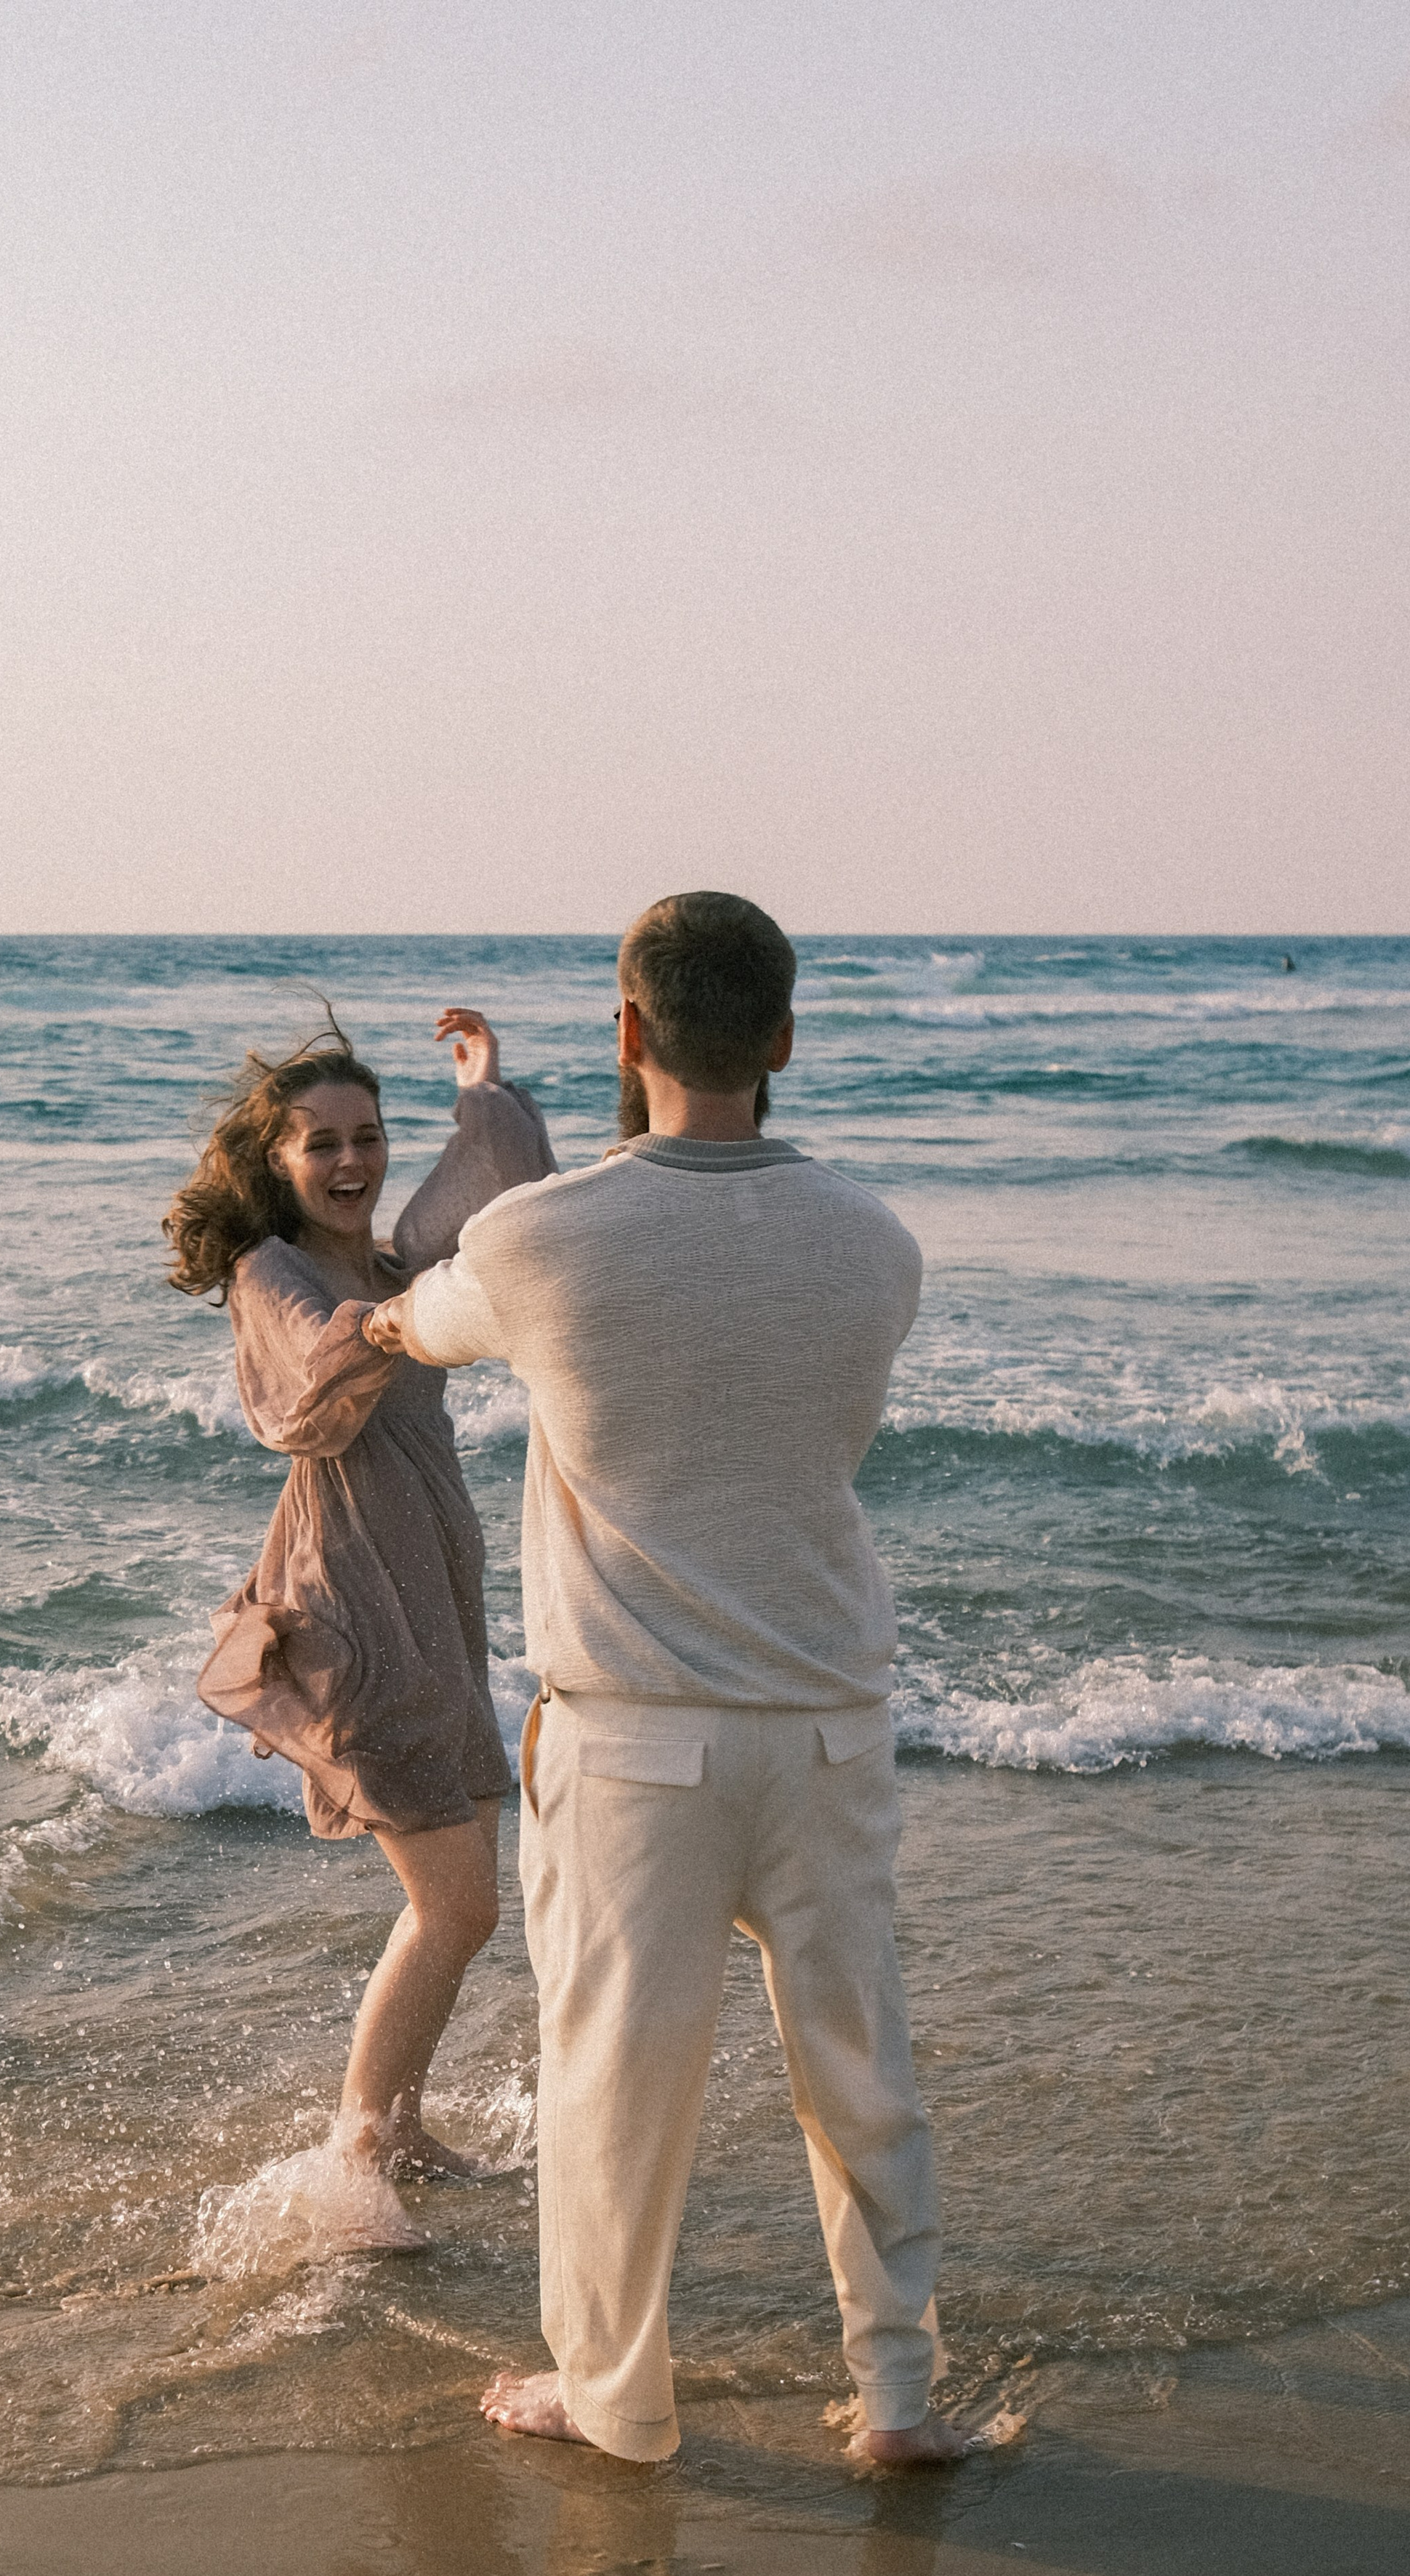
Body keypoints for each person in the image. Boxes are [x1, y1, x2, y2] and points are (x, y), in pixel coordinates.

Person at [366, 895, 967, 2463]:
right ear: (783, 1039)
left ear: (628, 1032)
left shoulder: (536, 1239)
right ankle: (897, 2396)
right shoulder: (876, 1243)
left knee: (614, 2091)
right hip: (828, 1728)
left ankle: (615, 2400)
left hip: (634, 1742)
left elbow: (415, 1322)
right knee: (861, 2076)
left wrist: (382, 1291)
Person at [164, 1007, 555, 2190]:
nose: (352, 1162)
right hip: (353, 1612)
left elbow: (507, 1200)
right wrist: (394, 1323)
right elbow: (307, 1383)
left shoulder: (392, 1267)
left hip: (435, 1607)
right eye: (322, 1143)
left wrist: (480, 1087)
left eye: (369, 1138)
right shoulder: (273, 1272)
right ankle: (360, 2152)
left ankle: (397, 2130)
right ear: (276, 1161)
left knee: (464, 1902)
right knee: (457, 1906)